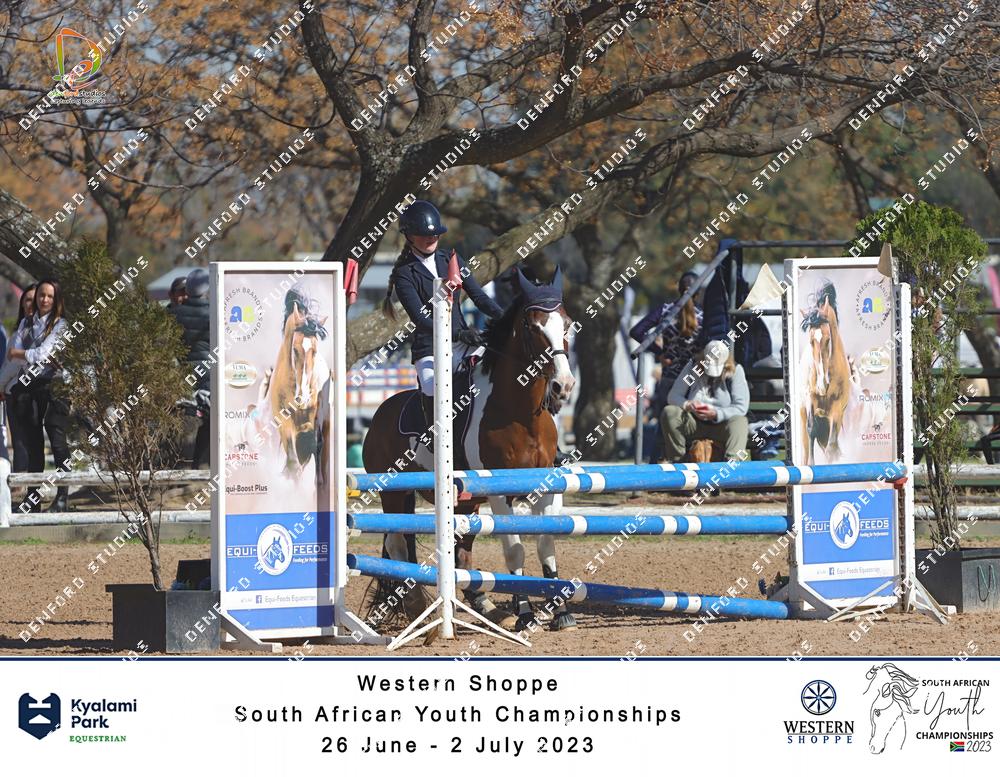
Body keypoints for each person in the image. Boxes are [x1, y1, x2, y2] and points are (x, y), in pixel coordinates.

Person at [382, 200, 503, 436]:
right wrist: (459, 334)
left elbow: (479, 297)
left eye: (435, 233)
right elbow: (421, 319)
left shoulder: (451, 260)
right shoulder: (404, 274)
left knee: (502, 369)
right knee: (432, 389)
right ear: (409, 236)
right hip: (430, 348)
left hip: (464, 344)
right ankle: (432, 436)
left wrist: (504, 316)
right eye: (424, 234)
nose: (431, 238)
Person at [0, 279, 71, 512]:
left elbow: (42, 354)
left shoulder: (61, 325)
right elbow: (17, 360)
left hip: (56, 387)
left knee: (57, 441)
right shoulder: (25, 323)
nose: (44, 300)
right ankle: (33, 498)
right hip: (32, 387)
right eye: (41, 295)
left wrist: (19, 353)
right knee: (34, 444)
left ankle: (62, 496)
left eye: (50, 296)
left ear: (56, 299)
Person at [630, 271, 702, 461]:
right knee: (693, 425)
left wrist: (659, 352)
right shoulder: (703, 316)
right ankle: (689, 464)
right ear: (698, 293)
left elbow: (637, 331)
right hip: (694, 378)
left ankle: (655, 467)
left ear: (679, 289)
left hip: (670, 376)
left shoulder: (665, 311)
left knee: (663, 426)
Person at [661, 339, 749, 463]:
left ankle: (733, 462)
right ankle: (678, 460)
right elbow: (673, 396)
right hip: (694, 423)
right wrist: (688, 404)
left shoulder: (736, 370)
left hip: (721, 425)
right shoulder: (693, 367)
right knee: (670, 411)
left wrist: (717, 414)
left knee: (740, 421)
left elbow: (741, 407)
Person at [169, 268, 211, 466]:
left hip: (182, 376)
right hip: (209, 376)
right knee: (210, 420)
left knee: (185, 421)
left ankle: (181, 465)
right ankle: (200, 464)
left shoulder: (173, 314)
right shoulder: (214, 312)